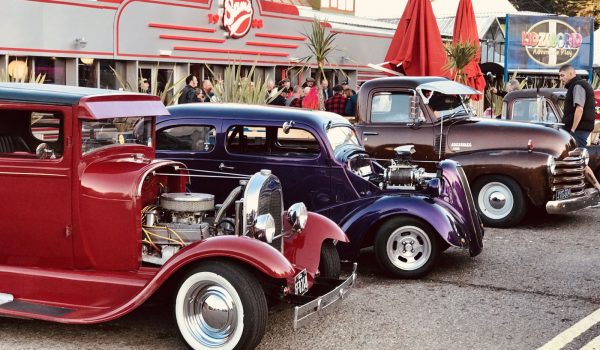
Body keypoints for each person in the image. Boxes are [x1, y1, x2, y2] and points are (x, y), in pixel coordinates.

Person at [559, 65, 596, 148]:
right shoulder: (578, 85)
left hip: (579, 129)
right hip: (581, 128)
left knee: (577, 155)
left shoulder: (578, 86)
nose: (560, 79)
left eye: (562, 75)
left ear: (571, 73)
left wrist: (573, 129)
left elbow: (579, 109)